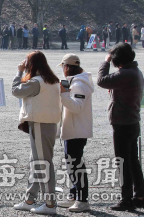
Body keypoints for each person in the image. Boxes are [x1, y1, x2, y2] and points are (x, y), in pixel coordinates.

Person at [12, 51, 61, 215]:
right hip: (46, 123)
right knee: (37, 162)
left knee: (43, 163)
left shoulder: (36, 81)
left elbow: (16, 91)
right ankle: (30, 199)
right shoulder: (50, 79)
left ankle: (49, 204)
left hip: (40, 124)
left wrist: (19, 72)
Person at [97, 43, 144, 211]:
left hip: (123, 123)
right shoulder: (136, 72)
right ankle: (139, 194)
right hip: (132, 121)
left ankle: (126, 199)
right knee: (133, 160)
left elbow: (101, 80)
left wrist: (105, 62)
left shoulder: (125, 73)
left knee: (123, 162)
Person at [56, 54, 94, 213]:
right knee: (72, 164)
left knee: (76, 165)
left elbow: (77, 107)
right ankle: (74, 195)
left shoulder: (79, 84)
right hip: (73, 129)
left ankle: (82, 199)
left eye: (63, 66)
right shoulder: (77, 81)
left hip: (76, 131)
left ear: (67, 67)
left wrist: (64, 94)